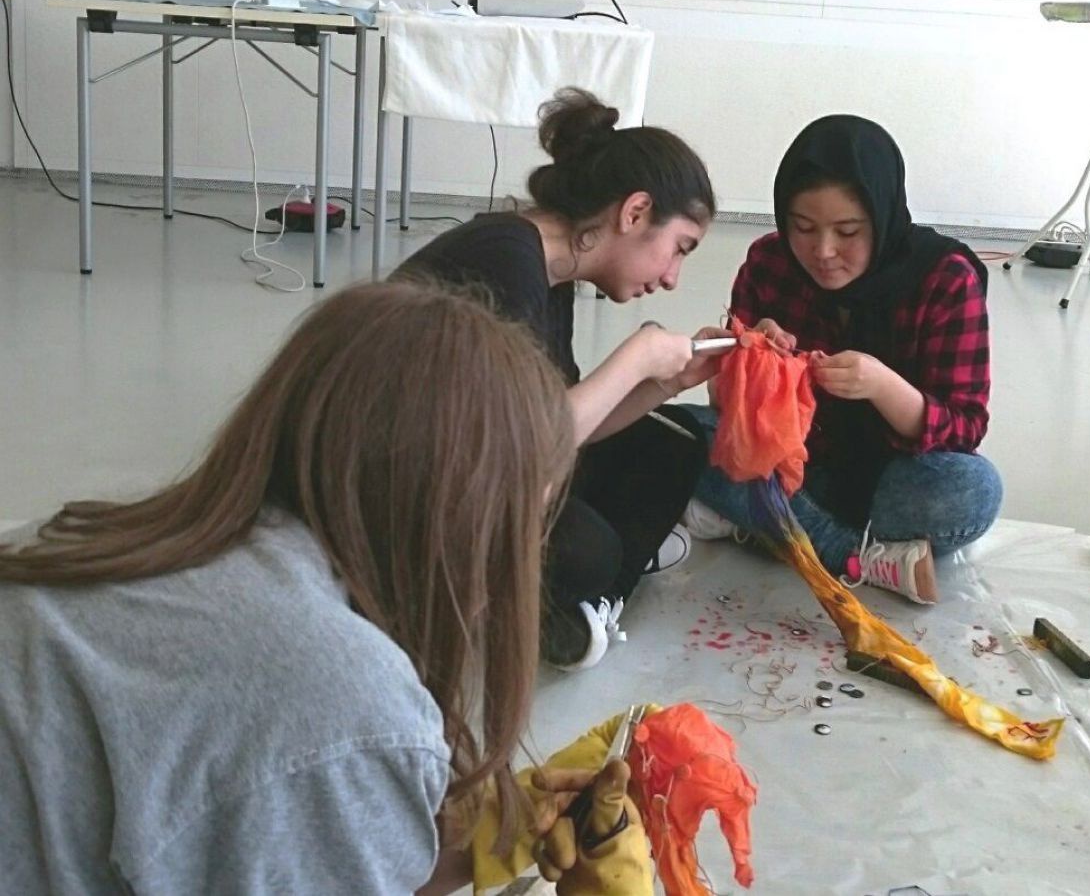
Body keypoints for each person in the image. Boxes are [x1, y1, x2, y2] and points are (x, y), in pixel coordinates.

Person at [0, 279, 639, 895]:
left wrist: (488, 844)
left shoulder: (102, 540)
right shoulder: (343, 707)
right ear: (466, 521)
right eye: (526, 520)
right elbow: (310, 761)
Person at [393, 87, 729, 669]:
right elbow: (531, 442)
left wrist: (666, 384)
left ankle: (579, 610)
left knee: (673, 443)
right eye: (678, 249)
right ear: (635, 213)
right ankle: (562, 594)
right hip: (412, 488)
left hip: (489, 462)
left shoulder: (554, 265)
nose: (673, 277)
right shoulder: (502, 260)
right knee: (588, 550)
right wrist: (641, 355)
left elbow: (571, 421)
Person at [682, 115, 1002, 604]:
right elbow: (730, 413)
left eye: (848, 231)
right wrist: (748, 361)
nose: (823, 251)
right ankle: (853, 554)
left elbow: (964, 427)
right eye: (803, 228)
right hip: (793, 464)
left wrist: (882, 386)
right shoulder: (770, 262)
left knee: (970, 488)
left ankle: (765, 524)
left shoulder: (944, 279)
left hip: (892, 483)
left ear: (883, 215)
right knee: (676, 433)